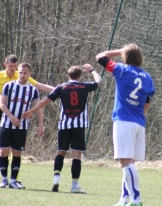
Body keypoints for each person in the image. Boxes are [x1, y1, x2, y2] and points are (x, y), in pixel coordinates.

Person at [22, 64, 103, 194]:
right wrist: (92, 70)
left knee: (61, 152)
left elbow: (44, 101)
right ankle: (74, 186)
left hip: (64, 125)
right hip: (79, 125)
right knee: (77, 156)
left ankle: (56, 179)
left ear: (68, 75)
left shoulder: (61, 87)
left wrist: (31, 111)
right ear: (80, 76)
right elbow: (100, 81)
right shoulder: (84, 86)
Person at [96, 44, 155, 206]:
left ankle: (136, 202)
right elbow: (147, 102)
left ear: (125, 56)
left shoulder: (122, 70)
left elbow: (100, 56)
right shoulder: (147, 77)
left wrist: (119, 51)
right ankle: (124, 198)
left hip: (124, 120)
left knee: (125, 162)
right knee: (130, 162)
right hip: (138, 123)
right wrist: (139, 117)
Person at [0, 62, 44, 189]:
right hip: (6, 123)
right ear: (17, 72)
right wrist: (11, 117)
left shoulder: (33, 90)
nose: (22, 75)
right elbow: (2, 104)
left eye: (25, 73)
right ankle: (3, 179)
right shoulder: (9, 86)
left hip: (22, 126)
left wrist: (40, 124)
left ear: (29, 74)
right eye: (20, 72)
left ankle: (13, 180)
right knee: (3, 151)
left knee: (17, 152)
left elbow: (39, 107)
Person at [0, 54, 54, 120]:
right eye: (11, 66)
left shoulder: (21, 74)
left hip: (14, 109)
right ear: (5, 64)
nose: (13, 68)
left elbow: (41, 86)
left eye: (15, 66)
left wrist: (59, 89)